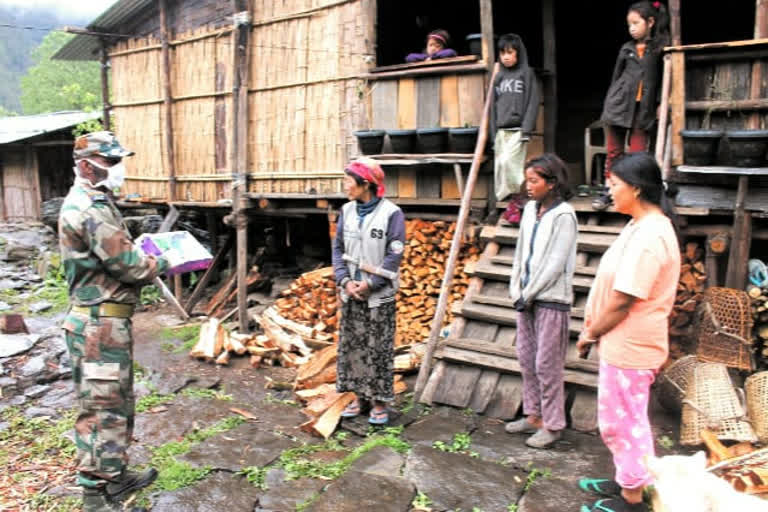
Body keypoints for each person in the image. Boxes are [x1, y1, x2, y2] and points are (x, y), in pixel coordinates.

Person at [59, 131, 169, 512]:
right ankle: (94, 496)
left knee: (118, 402)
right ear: (87, 165)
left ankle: (116, 477)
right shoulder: (89, 208)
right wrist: (166, 261)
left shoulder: (99, 203)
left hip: (107, 323)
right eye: (112, 162)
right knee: (102, 408)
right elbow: (128, 266)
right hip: (97, 326)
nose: (118, 170)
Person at [577, 153, 680, 512]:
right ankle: (628, 478)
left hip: (630, 345)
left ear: (635, 188)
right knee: (620, 418)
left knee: (625, 423)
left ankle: (633, 498)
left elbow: (623, 300)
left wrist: (590, 334)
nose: (610, 192)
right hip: (623, 342)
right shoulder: (639, 225)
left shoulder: (651, 235)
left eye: (614, 186)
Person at [504, 154, 578, 449]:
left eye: (534, 180)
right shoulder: (530, 209)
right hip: (525, 298)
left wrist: (530, 292)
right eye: (528, 180)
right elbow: (521, 253)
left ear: (552, 182)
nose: (528, 185)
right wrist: (515, 288)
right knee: (526, 358)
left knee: (547, 363)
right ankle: (533, 415)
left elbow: (556, 263)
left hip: (550, 299)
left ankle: (553, 424)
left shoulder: (564, 215)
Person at [332, 158, 406, 425]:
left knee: (379, 348)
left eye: (348, 181)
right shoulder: (347, 211)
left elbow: (393, 255)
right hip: (351, 292)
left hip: (378, 295)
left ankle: (379, 401)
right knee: (353, 347)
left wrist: (371, 283)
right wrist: (345, 280)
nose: (345, 186)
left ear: (365, 184)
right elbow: (338, 249)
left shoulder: (391, 214)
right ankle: (359, 397)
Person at [593, 1, 669, 211]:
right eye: (629, 24)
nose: (632, 28)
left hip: (643, 109)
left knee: (638, 153)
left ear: (651, 22)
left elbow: (665, 79)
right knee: (614, 152)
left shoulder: (661, 48)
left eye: (636, 23)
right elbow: (616, 78)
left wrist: (662, 103)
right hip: (618, 105)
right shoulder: (626, 48)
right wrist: (609, 102)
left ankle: (634, 194)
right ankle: (609, 191)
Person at [490, 33, 540, 221]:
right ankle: (511, 204)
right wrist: (493, 134)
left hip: (518, 129)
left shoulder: (526, 74)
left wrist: (527, 129)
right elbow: (492, 108)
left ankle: (519, 199)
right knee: (501, 168)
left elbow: (533, 102)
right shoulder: (499, 77)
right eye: (502, 53)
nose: (506, 57)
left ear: (518, 54)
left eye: (510, 53)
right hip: (502, 131)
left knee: (510, 164)